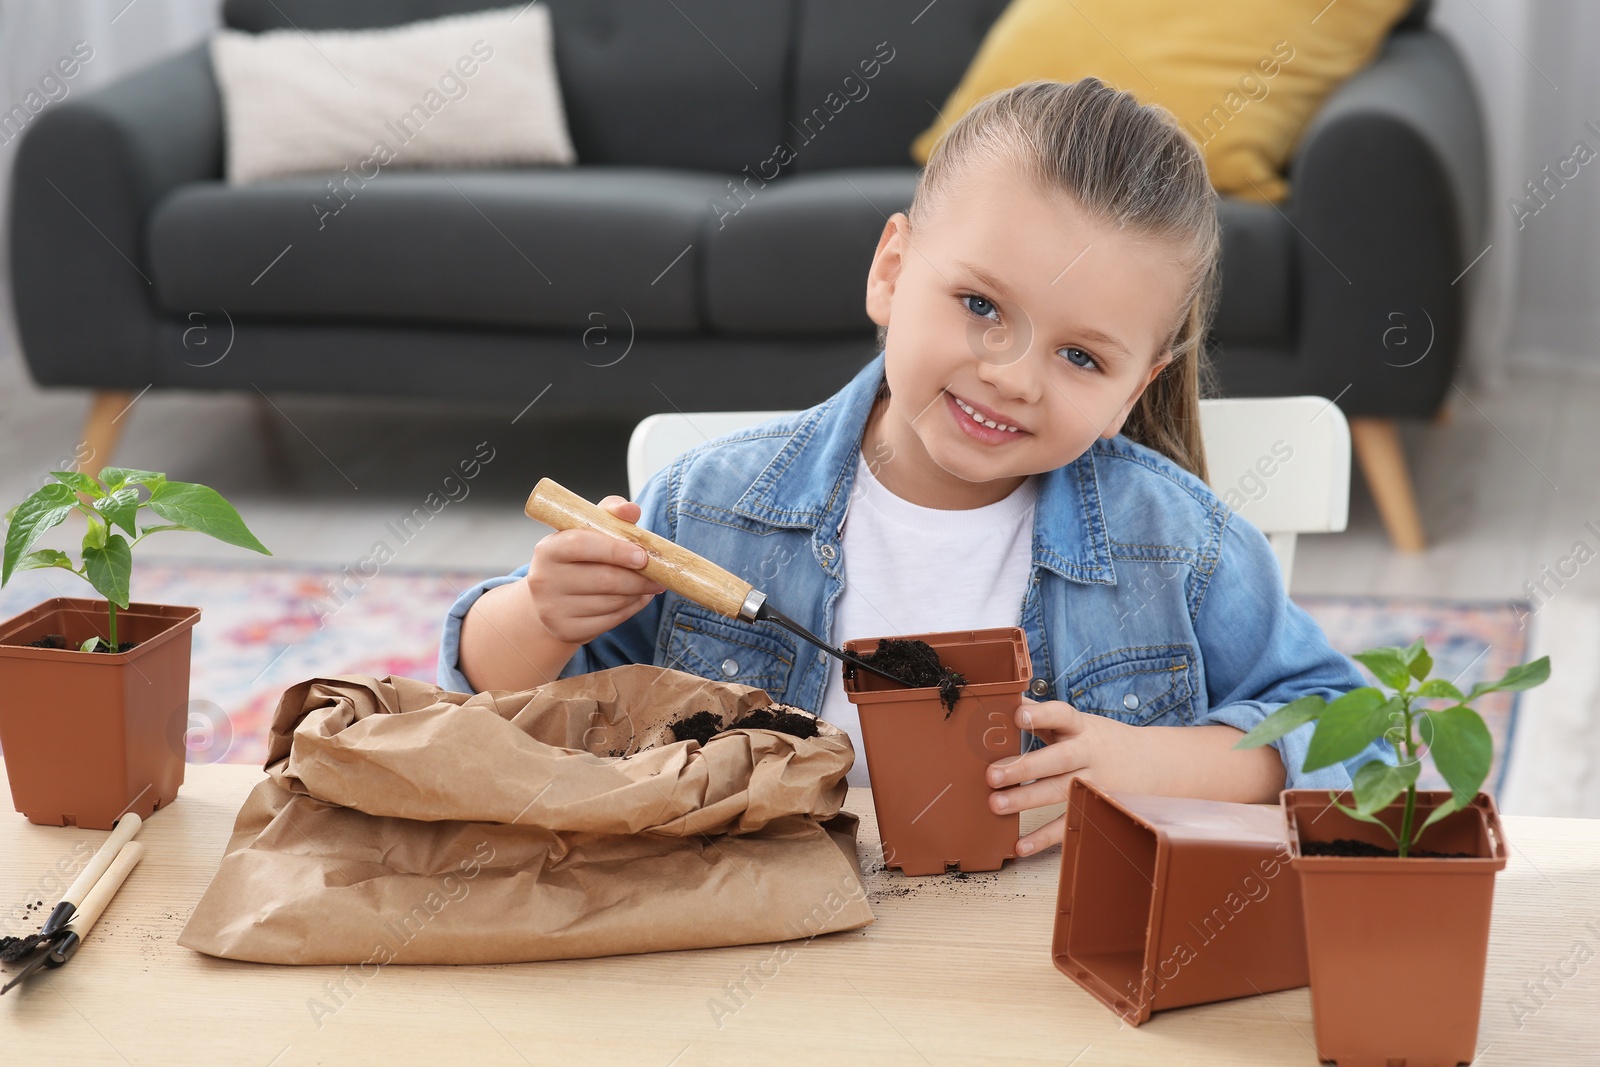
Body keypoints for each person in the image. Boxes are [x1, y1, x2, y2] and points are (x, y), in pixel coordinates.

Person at [439, 77, 1389, 859]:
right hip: (738, 949)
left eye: (1082, 357)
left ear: (1141, 383)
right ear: (892, 272)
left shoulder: (1181, 546)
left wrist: (1157, 763)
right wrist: (538, 614)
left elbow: (1369, 739)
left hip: (1041, 977)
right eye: (981, 304)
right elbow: (507, 709)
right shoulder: (713, 505)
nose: (1013, 376)